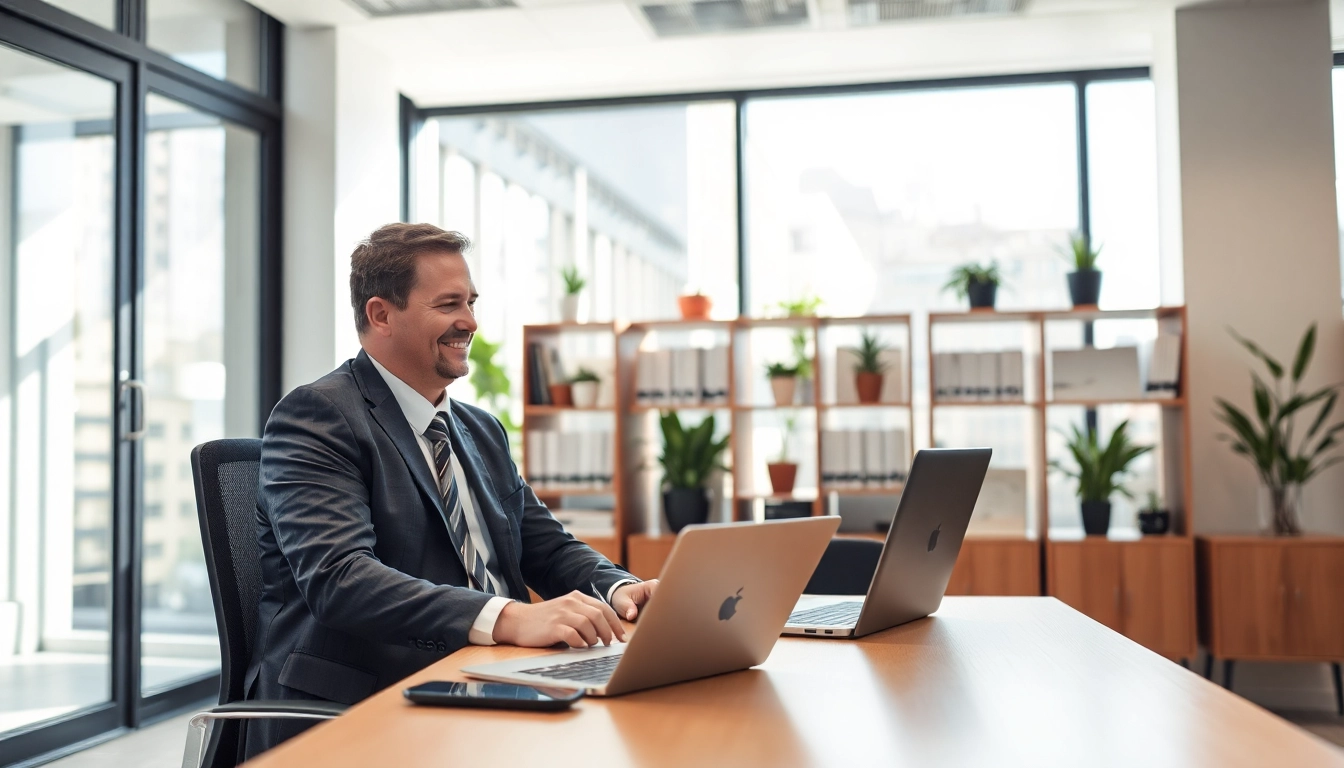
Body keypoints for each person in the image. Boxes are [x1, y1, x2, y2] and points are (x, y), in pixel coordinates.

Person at [243, 223, 657, 758]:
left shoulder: (478, 429)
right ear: (381, 315)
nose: (470, 321)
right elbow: (340, 578)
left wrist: (620, 589)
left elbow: (545, 547)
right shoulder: (319, 416)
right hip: (367, 702)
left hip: (485, 678)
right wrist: (509, 616)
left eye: (471, 302)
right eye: (448, 305)